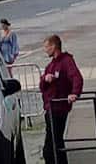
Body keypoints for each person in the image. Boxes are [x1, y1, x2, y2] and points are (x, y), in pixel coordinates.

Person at [40, 35, 83, 164]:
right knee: (54, 142)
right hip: (50, 107)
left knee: (52, 145)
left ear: (54, 46)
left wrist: (74, 93)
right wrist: (46, 79)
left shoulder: (66, 61)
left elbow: (76, 77)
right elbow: (42, 86)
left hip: (59, 107)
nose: (45, 50)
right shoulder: (51, 65)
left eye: (46, 47)